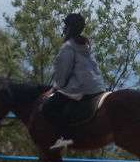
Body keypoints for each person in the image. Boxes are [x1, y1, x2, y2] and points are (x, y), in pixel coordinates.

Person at [43, 13, 106, 150]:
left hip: (80, 88)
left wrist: (54, 88)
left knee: (49, 107)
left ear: (68, 28)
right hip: (97, 87)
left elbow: (62, 71)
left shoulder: (68, 47)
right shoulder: (85, 44)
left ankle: (65, 138)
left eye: (65, 25)